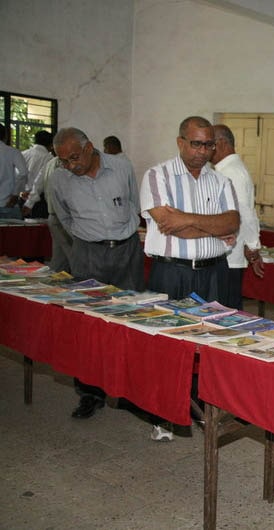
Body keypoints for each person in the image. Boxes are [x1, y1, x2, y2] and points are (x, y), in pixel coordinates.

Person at [140, 115, 240, 441]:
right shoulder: (157, 176)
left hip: (213, 272)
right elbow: (168, 224)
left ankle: (201, 407)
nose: (202, 151)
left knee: (210, 343)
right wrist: (211, 225)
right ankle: (163, 415)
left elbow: (232, 223)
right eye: (196, 143)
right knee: (167, 345)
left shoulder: (221, 181)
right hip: (172, 272)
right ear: (181, 141)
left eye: (208, 145)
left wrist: (186, 219)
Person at [50, 127, 145, 420]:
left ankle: (130, 390)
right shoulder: (59, 179)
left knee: (131, 321)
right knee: (88, 326)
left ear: (89, 148)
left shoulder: (121, 167)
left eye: (74, 158)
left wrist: (120, 237)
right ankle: (90, 393)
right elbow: (64, 218)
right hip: (88, 254)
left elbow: (134, 204)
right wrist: (88, 240)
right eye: (63, 160)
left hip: (127, 252)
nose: (70, 165)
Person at [210, 124, 263, 309]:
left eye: (210, 144)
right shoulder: (225, 169)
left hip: (229, 258)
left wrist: (253, 246)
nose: (206, 149)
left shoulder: (231, 172)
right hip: (224, 255)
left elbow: (244, 213)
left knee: (226, 310)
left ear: (222, 143)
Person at [20, 130, 54, 218]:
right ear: (51, 145)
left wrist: (21, 192)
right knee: (38, 225)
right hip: (39, 201)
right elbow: (41, 181)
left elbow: (17, 176)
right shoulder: (49, 159)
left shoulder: (23, 154)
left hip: (22, 197)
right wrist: (30, 200)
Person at [0, 124, 28, 219]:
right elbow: (23, 173)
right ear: (5, 137)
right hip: (7, 204)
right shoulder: (12, 152)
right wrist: (15, 194)